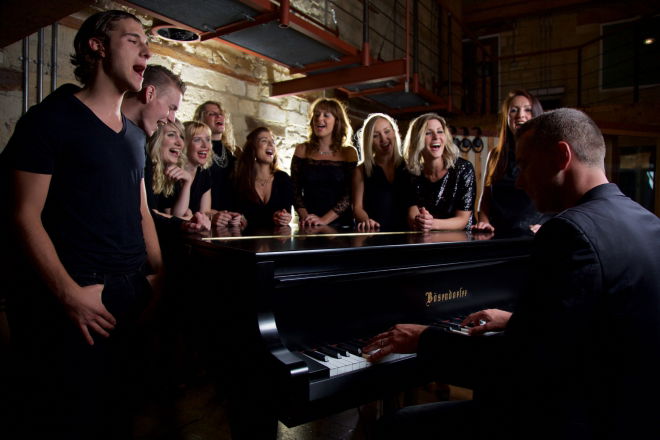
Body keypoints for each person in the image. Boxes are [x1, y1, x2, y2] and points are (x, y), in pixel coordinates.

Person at [365, 108, 660, 440]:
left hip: (575, 419)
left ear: (561, 157)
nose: (518, 181)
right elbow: (597, 325)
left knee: (395, 427)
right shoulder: (648, 222)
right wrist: (517, 322)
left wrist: (424, 339)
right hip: (633, 413)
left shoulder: (569, 233)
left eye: (524, 165)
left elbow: (517, 365)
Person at [1, 10, 163, 439]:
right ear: (97, 46)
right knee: (70, 418)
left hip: (131, 292)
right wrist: (68, 294)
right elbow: (22, 214)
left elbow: (141, 211)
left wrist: (158, 276)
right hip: (78, 300)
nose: (146, 51)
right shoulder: (50, 120)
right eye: (133, 39)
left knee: (120, 415)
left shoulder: (134, 136)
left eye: (146, 43)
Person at [473, 89, 548, 235]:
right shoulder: (495, 155)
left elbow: (561, 200)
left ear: (537, 115)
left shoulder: (547, 153)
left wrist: (547, 225)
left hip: (534, 235)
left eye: (527, 110)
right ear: (507, 117)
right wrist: (484, 222)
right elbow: (486, 199)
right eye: (514, 110)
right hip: (498, 235)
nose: (520, 115)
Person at [291, 97, 358, 228]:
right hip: (309, 224)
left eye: (326, 115)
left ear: (337, 121)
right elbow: (294, 190)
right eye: (316, 115)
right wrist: (307, 218)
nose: (319, 118)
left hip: (341, 226)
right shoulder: (302, 149)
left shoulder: (349, 152)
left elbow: (350, 194)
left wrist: (323, 220)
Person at [403, 113, 476, 231]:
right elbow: (412, 215)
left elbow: (462, 220)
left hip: (461, 238)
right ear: (417, 140)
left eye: (440, 131)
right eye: (428, 133)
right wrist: (421, 220)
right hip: (426, 238)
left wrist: (431, 224)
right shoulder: (409, 174)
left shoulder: (464, 169)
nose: (436, 137)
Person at [352, 113, 410, 231]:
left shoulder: (409, 166)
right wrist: (366, 221)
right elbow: (357, 207)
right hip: (375, 234)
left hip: (407, 234)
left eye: (387, 131)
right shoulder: (361, 170)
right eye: (375, 136)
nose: (383, 139)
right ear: (369, 142)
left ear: (394, 133)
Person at [234, 127, 293, 229]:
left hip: (276, 238)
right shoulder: (239, 180)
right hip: (246, 238)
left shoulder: (283, 179)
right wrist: (238, 219)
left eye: (273, 142)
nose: (271, 144)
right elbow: (234, 214)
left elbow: (286, 212)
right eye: (264, 141)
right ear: (253, 148)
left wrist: (284, 217)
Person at [193, 100, 237, 211]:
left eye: (221, 114)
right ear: (201, 120)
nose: (219, 116)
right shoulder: (197, 151)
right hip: (204, 213)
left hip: (228, 215)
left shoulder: (231, 153)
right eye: (212, 114)